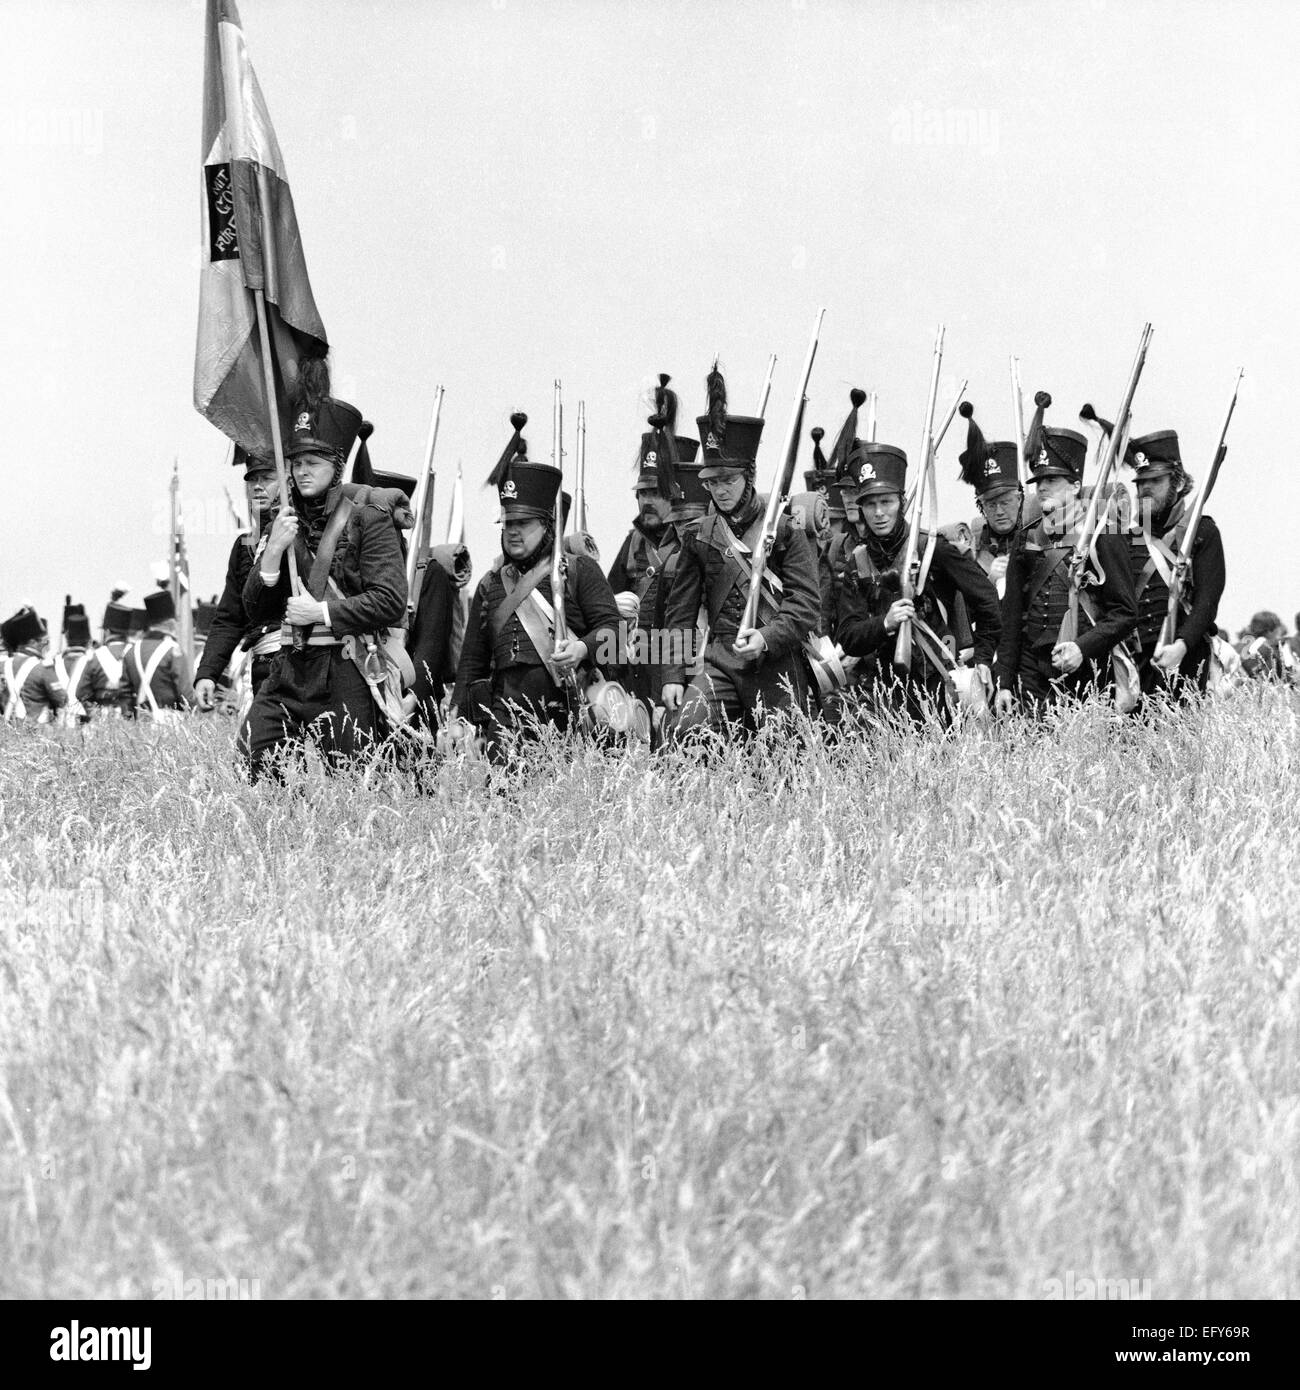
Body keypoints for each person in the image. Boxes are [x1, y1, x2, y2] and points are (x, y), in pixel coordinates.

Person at [243, 399, 409, 776]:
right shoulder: (281, 523)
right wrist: (271, 557)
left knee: (352, 781)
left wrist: (321, 613)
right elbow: (255, 610)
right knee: (256, 757)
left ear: (336, 467)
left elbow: (390, 601)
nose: (302, 472)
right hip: (288, 669)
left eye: (313, 464)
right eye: (297, 463)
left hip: (346, 667)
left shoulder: (369, 521)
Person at [660, 363, 821, 737]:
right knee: (685, 730)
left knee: (783, 757)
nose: (719, 491)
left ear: (749, 478)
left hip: (777, 664)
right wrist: (671, 673)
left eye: (728, 480)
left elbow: (806, 605)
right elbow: (680, 611)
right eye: (712, 482)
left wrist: (767, 637)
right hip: (722, 663)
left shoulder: (783, 530)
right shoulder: (700, 536)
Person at [451, 415, 621, 761]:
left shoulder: (578, 571)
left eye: (523, 523)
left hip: (571, 712)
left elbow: (614, 630)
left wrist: (582, 650)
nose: (513, 531)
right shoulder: (490, 584)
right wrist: (457, 717)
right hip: (506, 717)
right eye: (508, 523)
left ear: (547, 525)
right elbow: (472, 660)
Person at [834, 438, 1001, 722]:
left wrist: (983, 657)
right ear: (860, 508)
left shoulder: (931, 548)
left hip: (941, 683)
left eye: (886, 501)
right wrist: (884, 623)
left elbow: (987, 599)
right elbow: (848, 637)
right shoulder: (857, 562)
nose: (878, 512)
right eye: (870, 504)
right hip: (884, 694)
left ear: (901, 502)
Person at [994, 398, 1138, 711]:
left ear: (1074, 487)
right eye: (1039, 482)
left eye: (1052, 480)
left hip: (1088, 668)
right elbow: (1012, 616)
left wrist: (1082, 648)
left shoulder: (1104, 533)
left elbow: (1125, 613)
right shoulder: (1026, 538)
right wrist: (1005, 681)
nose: (1043, 488)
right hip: (1033, 672)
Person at [605, 375, 701, 714]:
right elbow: (603, 607)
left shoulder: (697, 541)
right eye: (642, 493)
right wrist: (614, 606)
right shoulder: (630, 544)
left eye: (656, 493)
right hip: (637, 666)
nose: (647, 501)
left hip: (684, 665)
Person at [1119, 428, 1226, 696]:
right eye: (1141, 482)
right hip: (1137, 663)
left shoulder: (1202, 531)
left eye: (1154, 481)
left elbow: (1206, 603)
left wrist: (1181, 645)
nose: (1145, 488)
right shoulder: (1127, 537)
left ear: (1177, 482)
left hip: (1188, 659)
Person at [194, 450, 284, 714]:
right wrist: (208, 673)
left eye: (267, 478)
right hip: (262, 666)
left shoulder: (310, 534)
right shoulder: (245, 546)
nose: (257, 486)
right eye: (251, 479)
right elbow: (230, 618)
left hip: (307, 666)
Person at [124, 589, 196, 717]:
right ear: (170, 623)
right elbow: (185, 694)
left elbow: (124, 694)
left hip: (141, 721)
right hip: (171, 720)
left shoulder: (130, 651)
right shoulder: (174, 651)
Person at [1, 607, 66, 723]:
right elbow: (61, 699)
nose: (44, 643)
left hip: (7, 729)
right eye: (42, 640)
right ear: (32, 642)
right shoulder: (42, 668)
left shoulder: (3, 665)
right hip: (36, 731)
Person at [52, 600, 107, 724]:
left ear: (67, 638)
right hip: (90, 726)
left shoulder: (54, 663)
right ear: (88, 639)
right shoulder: (93, 662)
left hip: (61, 726)